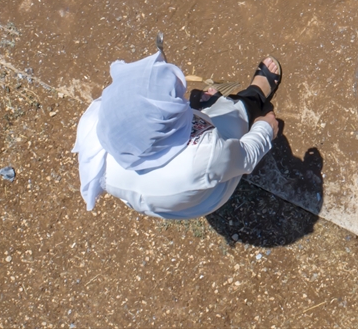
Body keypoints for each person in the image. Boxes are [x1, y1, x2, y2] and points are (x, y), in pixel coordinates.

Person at [72, 50, 282, 219]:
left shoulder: (96, 125)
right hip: (206, 197)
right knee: (234, 117)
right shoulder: (202, 156)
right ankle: (253, 96)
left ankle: (205, 107)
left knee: (192, 117)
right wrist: (264, 129)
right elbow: (245, 156)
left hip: (161, 201)